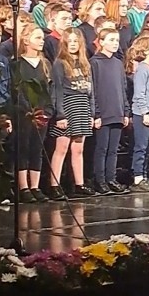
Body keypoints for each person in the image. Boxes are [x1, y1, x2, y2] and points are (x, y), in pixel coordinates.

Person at [48, 27, 95, 199]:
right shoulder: (59, 63)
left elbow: (91, 91)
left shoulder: (85, 64)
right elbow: (57, 90)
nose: (73, 45)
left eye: (76, 41)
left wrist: (92, 113)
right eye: (70, 42)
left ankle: (79, 184)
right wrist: (60, 114)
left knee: (78, 148)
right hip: (68, 106)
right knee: (61, 148)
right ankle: (54, 185)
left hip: (82, 106)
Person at [15, 23, 53, 203]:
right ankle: (23, 187)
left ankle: (35, 186)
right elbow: (17, 89)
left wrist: (47, 110)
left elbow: (50, 89)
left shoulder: (45, 64)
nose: (41, 41)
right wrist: (26, 110)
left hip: (42, 113)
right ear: (26, 39)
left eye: (42, 38)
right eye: (37, 38)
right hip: (24, 113)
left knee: (37, 149)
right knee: (24, 149)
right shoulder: (17, 63)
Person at [91, 28, 130, 195]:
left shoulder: (118, 63)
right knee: (101, 148)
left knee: (113, 149)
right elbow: (93, 90)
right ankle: (99, 180)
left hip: (117, 111)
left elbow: (122, 88)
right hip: (103, 112)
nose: (115, 43)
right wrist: (96, 114)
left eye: (116, 40)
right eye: (111, 40)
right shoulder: (95, 62)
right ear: (101, 42)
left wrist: (126, 112)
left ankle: (111, 178)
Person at [127, 34, 149, 192]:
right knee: (141, 146)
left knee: (147, 147)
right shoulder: (142, 69)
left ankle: (144, 175)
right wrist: (146, 113)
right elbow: (139, 94)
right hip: (142, 114)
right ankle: (138, 177)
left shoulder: (148, 68)